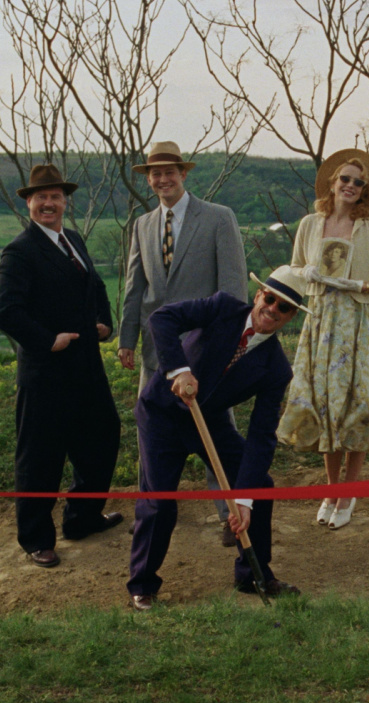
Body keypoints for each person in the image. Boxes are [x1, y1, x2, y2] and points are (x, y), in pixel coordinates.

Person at [127, 266, 307, 611]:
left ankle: (252, 575)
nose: (273, 309)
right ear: (259, 295)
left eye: (284, 308)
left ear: (290, 316)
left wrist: (244, 499)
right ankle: (143, 584)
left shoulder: (277, 369)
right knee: (160, 499)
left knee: (260, 488)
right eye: (270, 298)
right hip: (162, 412)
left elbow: (261, 436)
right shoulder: (223, 307)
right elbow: (162, 319)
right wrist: (179, 370)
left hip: (208, 422)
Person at [0, 164, 123, 568]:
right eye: (40, 197)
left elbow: (96, 287)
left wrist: (104, 324)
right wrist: (48, 340)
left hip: (86, 367)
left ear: (65, 201)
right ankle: (35, 539)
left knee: (102, 438)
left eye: (55, 196)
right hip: (45, 373)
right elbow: (4, 311)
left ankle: (82, 518)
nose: (49, 203)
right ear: (28, 202)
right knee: (41, 457)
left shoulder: (74, 240)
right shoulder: (20, 251)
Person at [118, 141, 248, 547]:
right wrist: (126, 338)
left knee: (216, 432)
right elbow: (135, 286)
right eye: (154, 174)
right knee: (149, 431)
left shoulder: (218, 218)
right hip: (157, 351)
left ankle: (231, 513)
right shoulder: (142, 225)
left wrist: (230, 346)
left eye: (169, 172)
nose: (162, 180)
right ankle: (148, 512)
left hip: (205, 351)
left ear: (184, 174)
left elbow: (233, 289)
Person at [277, 149, 369, 530]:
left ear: (364, 190)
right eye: (345, 179)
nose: (350, 186)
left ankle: (349, 493)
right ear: (332, 184)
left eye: (358, 182)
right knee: (323, 406)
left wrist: (362, 284)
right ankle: (331, 491)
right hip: (319, 325)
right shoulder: (309, 224)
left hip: (357, 326)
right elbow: (295, 268)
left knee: (356, 406)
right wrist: (310, 274)